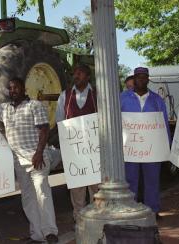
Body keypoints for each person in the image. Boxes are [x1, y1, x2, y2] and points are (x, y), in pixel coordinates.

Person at [0, 78, 58, 244]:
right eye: (10, 88)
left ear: (23, 88)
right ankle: (37, 235)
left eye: (16, 87)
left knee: (42, 193)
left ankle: (50, 232)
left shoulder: (34, 105)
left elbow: (44, 129)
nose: (13, 90)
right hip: (18, 162)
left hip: (37, 159)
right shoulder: (5, 109)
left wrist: (39, 152)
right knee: (28, 198)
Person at [120, 67, 170, 218]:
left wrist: (167, 147)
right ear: (134, 79)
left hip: (152, 149)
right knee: (130, 181)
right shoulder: (121, 98)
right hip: (130, 149)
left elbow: (164, 123)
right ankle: (131, 210)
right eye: (138, 77)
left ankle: (152, 211)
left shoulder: (157, 100)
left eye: (144, 77)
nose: (141, 79)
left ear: (148, 79)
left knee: (152, 180)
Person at [56, 64, 98, 221]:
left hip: (94, 151)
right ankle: (79, 220)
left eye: (80, 73)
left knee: (96, 188)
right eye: (75, 73)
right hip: (74, 152)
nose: (76, 76)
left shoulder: (97, 95)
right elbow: (60, 121)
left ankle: (97, 219)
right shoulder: (64, 96)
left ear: (88, 76)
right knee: (77, 188)